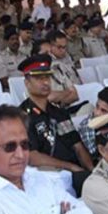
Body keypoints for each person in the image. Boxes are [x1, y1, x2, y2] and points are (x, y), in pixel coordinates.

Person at [18, 55, 92, 195]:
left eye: (47, 77)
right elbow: (32, 156)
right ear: (27, 83)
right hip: (51, 176)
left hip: (75, 172)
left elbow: (78, 146)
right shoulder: (22, 116)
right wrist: (71, 167)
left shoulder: (59, 112)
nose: (46, 82)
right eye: (39, 78)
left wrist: (91, 171)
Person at [78, 86, 108, 163]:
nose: (97, 113)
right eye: (97, 107)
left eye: (104, 111)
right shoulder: (87, 126)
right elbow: (97, 156)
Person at [48, 30, 82, 108]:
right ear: (50, 46)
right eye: (59, 47)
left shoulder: (67, 57)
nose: (63, 50)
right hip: (62, 102)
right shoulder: (48, 63)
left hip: (78, 94)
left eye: (65, 47)